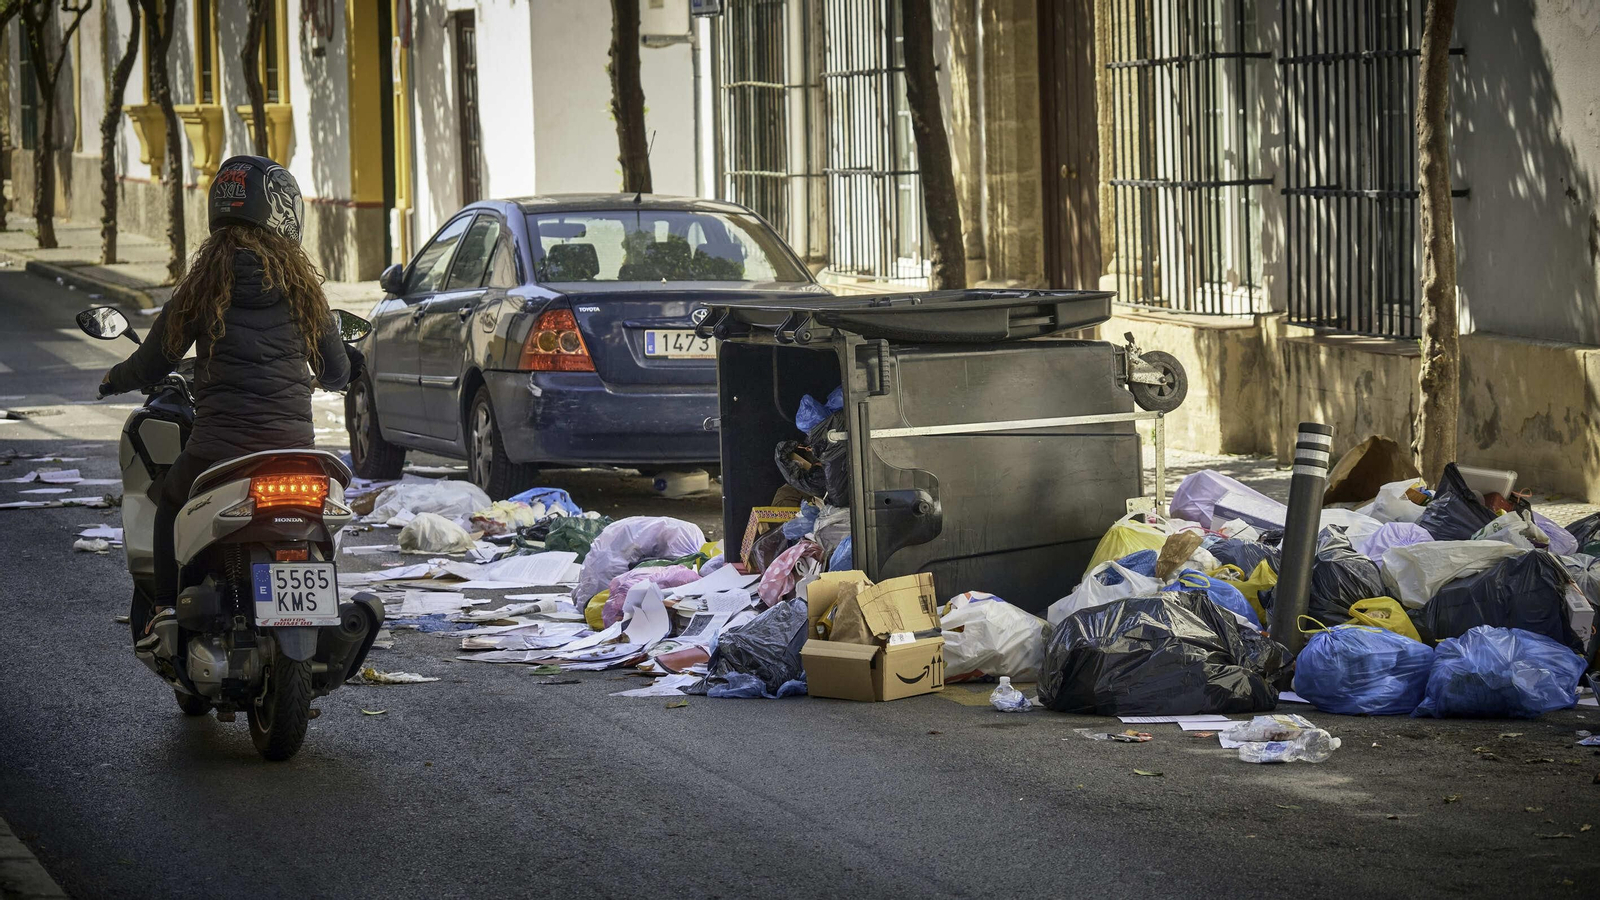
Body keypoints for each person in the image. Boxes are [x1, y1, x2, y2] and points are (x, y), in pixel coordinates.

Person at [100, 156, 364, 633]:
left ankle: (163, 609)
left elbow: (154, 361)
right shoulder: (305, 291)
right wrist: (352, 366)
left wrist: (114, 379)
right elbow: (334, 372)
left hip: (217, 450)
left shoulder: (203, 285)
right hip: (290, 450)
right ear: (284, 214)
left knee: (168, 505)